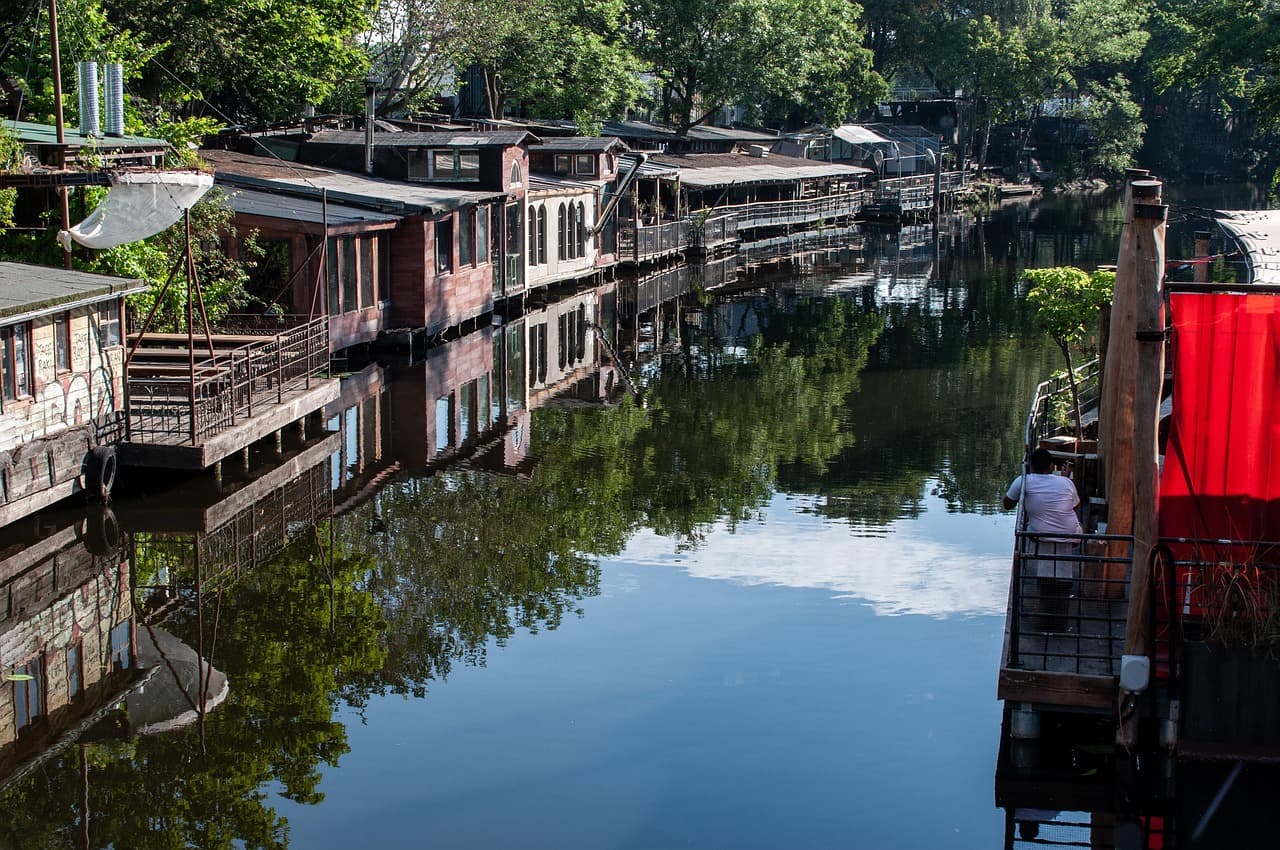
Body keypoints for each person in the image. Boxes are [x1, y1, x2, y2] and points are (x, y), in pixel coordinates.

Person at [1005, 448, 1082, 631]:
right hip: (1071, 536)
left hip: (1041, 536)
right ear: (1051, 466)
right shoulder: (1066, 482)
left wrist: (1024, 496)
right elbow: (1076, 506)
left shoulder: (1023, 481)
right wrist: (1066, 478)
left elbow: (1006, 504)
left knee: (1031, 529)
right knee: (1075, 525)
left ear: (1031, 465)